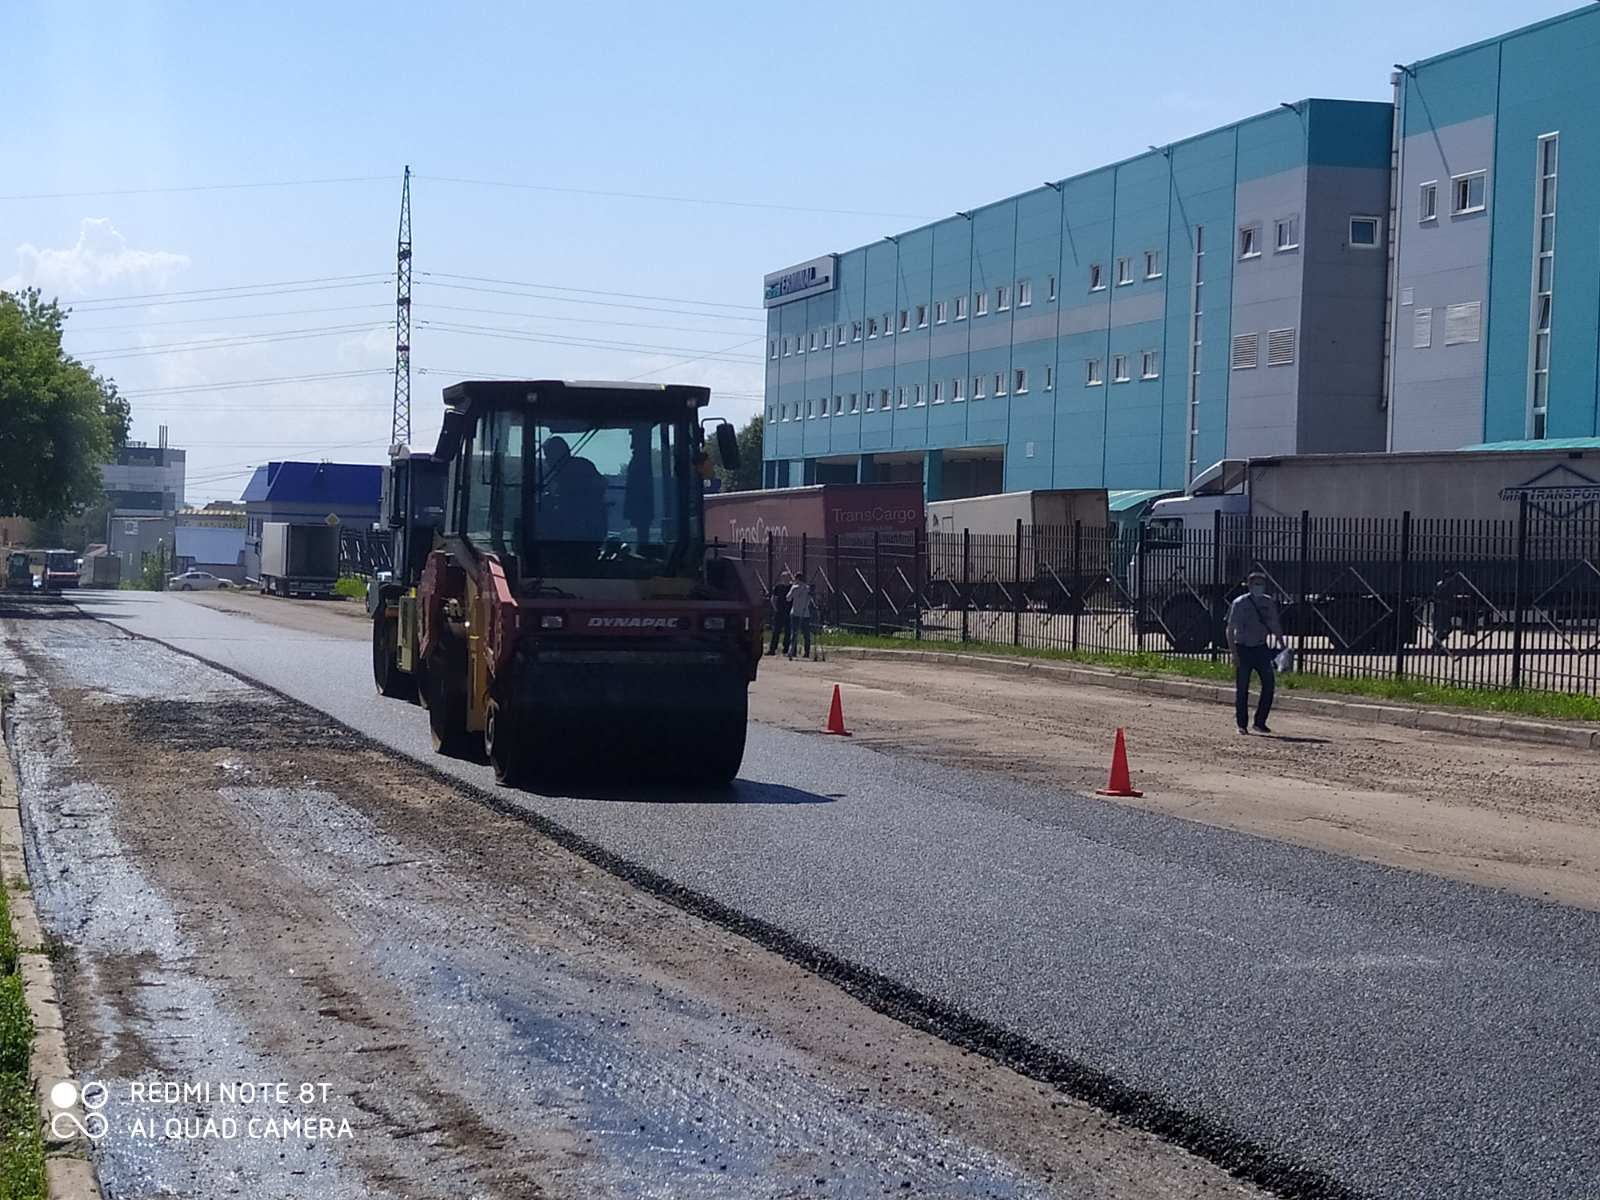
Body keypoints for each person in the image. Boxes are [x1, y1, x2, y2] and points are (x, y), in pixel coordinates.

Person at [1226, 571, 1285, 735]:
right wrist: (1234, 653)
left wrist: (1282, 644)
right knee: (1243, 687)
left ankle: (1260, 722)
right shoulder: (1240, 603)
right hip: (1243, 648)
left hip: (1261, 648)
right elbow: (1230, 629)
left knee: (1268, 684)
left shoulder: (1268, 602)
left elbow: (1274, 623)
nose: (1259, 587)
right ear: (1250, 585)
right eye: (1256, 584)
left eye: (1261, 584)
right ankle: (1242, 724)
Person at [540, 435, 608, 542]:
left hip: (583, 529)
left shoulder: (580, 467)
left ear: (558, 454)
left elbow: (600, 485)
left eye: (548, 455)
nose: (547, 460)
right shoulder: (556, 474)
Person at [786, 571, 815, 661]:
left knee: (794, 633)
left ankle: (792, 651)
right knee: (806, 634)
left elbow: (788, 598)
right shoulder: (807, 588)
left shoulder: (794, 588)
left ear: (797, 579)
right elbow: (810, 600)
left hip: (795, 613)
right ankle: (806, 652)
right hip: (805, 614)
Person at [767, 571, 792, 657]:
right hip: (779, 612)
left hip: (788, 612)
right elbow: (773, 598)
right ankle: (772, 649)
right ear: (782, 578)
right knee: (776, 631)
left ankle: (786, 649)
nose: (786, 579)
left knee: (788, 631)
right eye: (785, 577)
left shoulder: (792, 587)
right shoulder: (778, 587)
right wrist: (775, 608)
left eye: (788, 577)